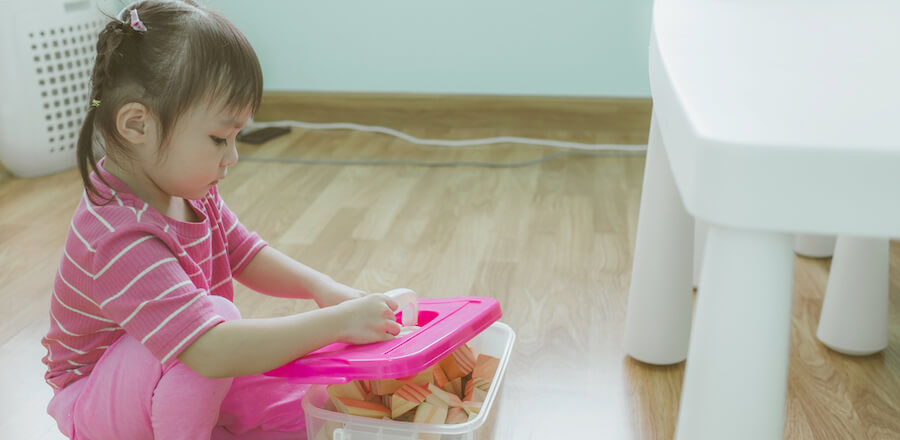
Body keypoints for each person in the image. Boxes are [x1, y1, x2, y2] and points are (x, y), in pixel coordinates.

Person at [40, 2, 403, 438]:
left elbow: (242, 251)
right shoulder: (118, 235)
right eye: (218, 138)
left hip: (180, 362)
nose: (232, 157)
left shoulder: (190, 188)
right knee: (218, 321)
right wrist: (336, 323)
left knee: (310, 400)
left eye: (236, 138)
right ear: (137, 124)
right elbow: (208, 351)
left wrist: (322, 289)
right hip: (99, 402)